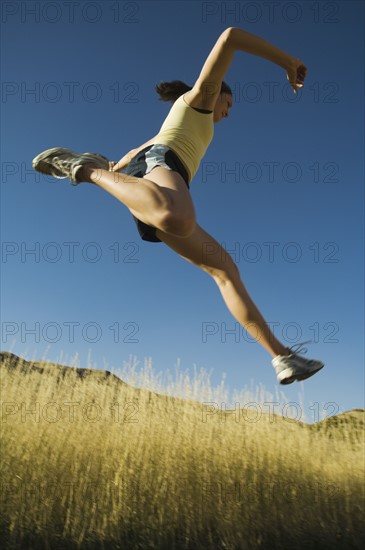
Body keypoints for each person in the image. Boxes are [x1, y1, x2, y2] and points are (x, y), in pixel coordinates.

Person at [32, 27, 324, 384]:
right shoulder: (198, 101)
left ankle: (283, 356)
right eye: (228, 104)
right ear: (216, 94)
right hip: (162, 167)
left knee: (225, 271)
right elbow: (231, 37)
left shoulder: (174, 125)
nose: (228, 112)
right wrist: (288, 62)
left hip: (155, 178)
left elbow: (131, 153)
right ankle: (84, 170)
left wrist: (115, 166)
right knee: (177, 216)